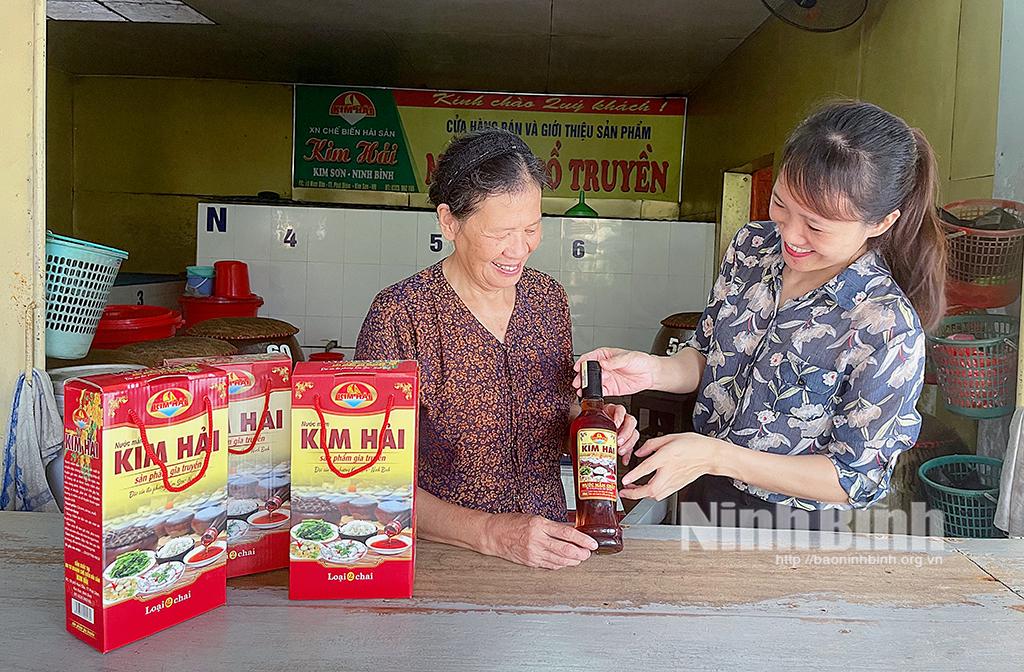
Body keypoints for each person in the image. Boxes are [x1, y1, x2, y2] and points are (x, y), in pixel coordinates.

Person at [576, 100, 944, 529]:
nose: (790, 235)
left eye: (816, 225)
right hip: (700, 484)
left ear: (880, 223)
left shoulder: (885, 325)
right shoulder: (752, 247)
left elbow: (853, 478)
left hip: (790, 523)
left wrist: (717, 456)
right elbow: (709, 355)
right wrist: (654, 371)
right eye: (781, 204)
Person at [357, 128, 639, 568]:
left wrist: (594, 427)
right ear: (449, 222)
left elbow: (552, 413)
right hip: (443, 558)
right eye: (501, 232)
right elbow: (367, 477)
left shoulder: (547, 299)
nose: (519, 249)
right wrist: (491, 534)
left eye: (532, 228)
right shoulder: (401, 314)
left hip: (549, 549)